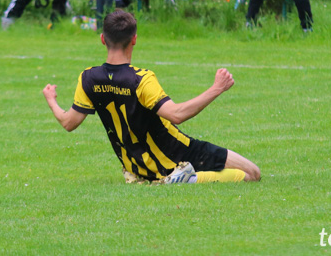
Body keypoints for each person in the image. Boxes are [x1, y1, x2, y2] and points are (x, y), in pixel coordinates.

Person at [42, 10, 260, 184]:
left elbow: (68, 123)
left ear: (102, 39)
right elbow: (176, 115)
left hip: (139, 168)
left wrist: (51, 99)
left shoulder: (88, 78)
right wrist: (217, 88)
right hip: (176, 154)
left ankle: (171, 177)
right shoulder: (141, 79)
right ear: (134, 39)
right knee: (252, 173)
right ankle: (184, 179)